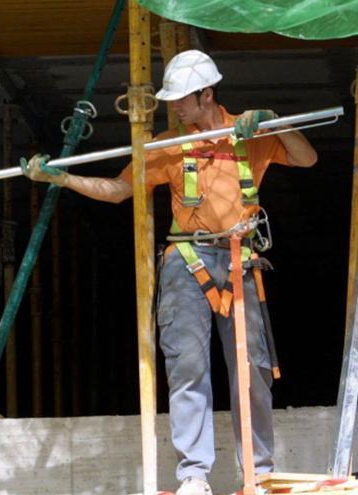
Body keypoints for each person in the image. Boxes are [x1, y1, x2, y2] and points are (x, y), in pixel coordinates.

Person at [20, 50, 317, 495]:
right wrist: (62, 180)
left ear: (207, 94)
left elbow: (307, 157)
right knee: (188, 367)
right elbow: (120, 189)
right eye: (172, 99)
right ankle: (194, 475)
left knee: (250, 368)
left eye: (182, 99)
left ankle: (259, 472)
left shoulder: (248, 134)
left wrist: (273, 121)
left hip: (240, 260)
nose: (174, 107)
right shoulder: (169, 146)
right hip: (187, 263)